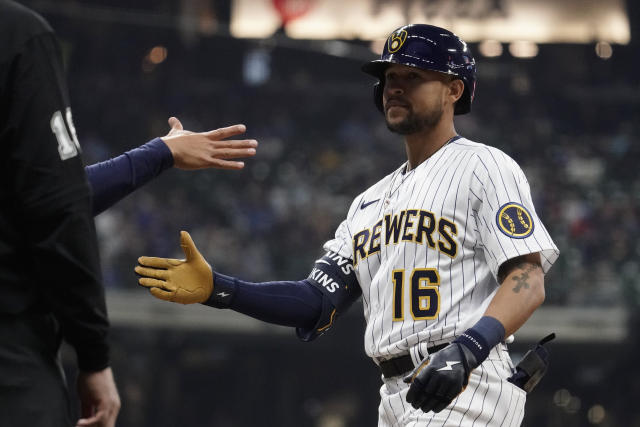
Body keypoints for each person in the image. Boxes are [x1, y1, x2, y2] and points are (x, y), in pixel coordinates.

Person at [135, 24, 559, 426]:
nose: (394, 86)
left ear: (453, 90)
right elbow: (315, 301)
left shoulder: (484, 165)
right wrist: (221, 289)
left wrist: (468, 349)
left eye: (412, 76)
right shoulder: (367, 203)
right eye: (389, 76)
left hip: (467, 378)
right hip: (396, 392)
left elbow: (528, 278)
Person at [0, 1, 257, 426]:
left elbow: (45, 195)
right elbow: (56, 206)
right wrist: (93, 356)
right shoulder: (15, 33)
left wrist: (161, 152)